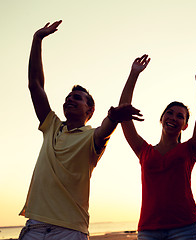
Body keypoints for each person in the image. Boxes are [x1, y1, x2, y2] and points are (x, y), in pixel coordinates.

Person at [19, 21, 143, 240]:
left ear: (90, 110)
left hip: (70, 230)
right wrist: (37, 39)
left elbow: (106, 128)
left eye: (77, 98)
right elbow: (35, 84)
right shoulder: (51, 126)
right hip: (35, 227)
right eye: (68, 97)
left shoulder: (91, 137)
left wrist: (114, 116)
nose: (70, 100)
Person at [115, 54, 196, 240]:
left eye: (180, 116)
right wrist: (134, 74)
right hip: (149, 229)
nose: (173, 118)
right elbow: (123, 113)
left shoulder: (190, 149)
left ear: (185, 126)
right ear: (161, 119)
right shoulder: (144, 151)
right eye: (170, 113)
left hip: (186, 227)